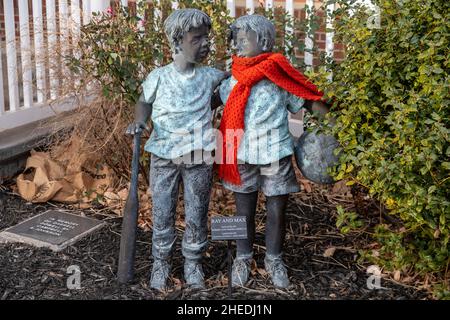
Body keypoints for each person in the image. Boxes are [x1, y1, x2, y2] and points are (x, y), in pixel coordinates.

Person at [217, 15, 329, 288]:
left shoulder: (279, 76)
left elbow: (305, 97)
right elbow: (203, 105)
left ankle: (274, 258)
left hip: (275, 154)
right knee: (243, 210)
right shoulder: (230, 80)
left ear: (264, 40)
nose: (238, 43)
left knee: (277, 210)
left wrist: (333, 121)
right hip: (241, 155)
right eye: (237, 39)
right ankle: (243, 256)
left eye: (245, 38)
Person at [126, 8, 226, 290]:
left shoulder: (210, 76)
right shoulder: (159, 76)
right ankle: (161, 262)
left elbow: (228, 90)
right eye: (198, 38)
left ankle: (193, 262)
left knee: (197, 211)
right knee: (162, 210)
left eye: (207, 37)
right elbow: (144, 102)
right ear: (178, 41)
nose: (206, 43)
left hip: (199, 156)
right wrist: (140, 121)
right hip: (165, 156)